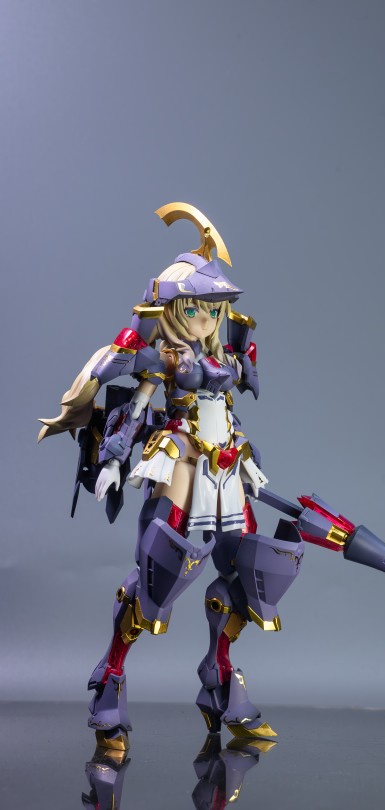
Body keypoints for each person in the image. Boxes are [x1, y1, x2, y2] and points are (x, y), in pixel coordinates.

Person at [39, 203, 304, 750]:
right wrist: (112, 459)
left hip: (228, 461)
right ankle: (110, 678)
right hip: (181, 459)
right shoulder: (163, 357)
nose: (207, 319)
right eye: (196, 308)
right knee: (159, 577)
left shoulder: (227, 355)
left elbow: (227, 402)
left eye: (214, 310)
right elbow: (136, 407)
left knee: (250, 574)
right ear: (173, 310)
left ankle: (219, 675)